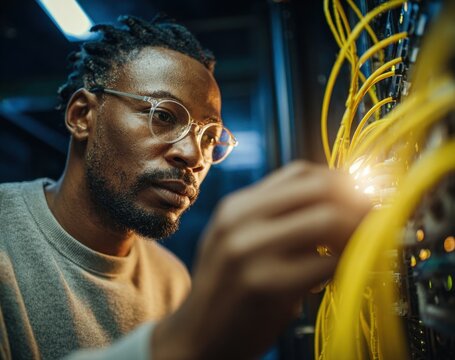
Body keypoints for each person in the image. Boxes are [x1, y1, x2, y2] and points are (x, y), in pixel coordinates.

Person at [0, 15, 370, 360]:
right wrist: (185, 340)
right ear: (82, 116)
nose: (194, 155)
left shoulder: (173, 279)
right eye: (163, 116)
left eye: (211, 138)